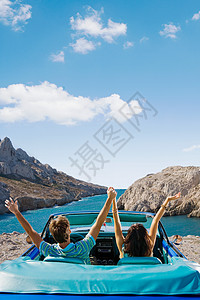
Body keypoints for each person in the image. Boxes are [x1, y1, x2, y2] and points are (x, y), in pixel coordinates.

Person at [5, 187, 116, 264]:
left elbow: (30, 231)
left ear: (53, 236)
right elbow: (99, 222)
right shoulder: (83, 247)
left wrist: (16, 212)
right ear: (69, 231)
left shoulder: (49, 250)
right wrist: (110, 198)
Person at [112, 189, 181, 258]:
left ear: (129, 237)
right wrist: (167, 200)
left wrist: (113, 198)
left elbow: (116, 220)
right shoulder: (150, 246)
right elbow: (155, 220)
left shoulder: (123, 247)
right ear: (145, 236)